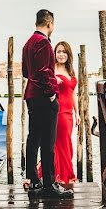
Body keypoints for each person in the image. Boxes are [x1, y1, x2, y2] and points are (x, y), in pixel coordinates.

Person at [22, 10, 73, 199]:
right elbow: (44, 72)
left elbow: (28, 72)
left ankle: (34, 180)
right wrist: (52, 94)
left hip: (31, 96)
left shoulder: (28, 43)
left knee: (33, 138)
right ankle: (50, 184)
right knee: (48, 142)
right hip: (44, 97)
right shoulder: (43, 42)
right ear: (49, 23)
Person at [38, 41, 78, 185]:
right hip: (57, 112)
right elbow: (44, 89)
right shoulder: (52, 70)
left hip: (69, 114)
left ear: (68, 55)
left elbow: (73, 94)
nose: (61, 54)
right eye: (59, 51)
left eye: (64, 52)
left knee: (66, 142)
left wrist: (77, 113)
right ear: (54, 54)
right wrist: (54, 82)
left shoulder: (71, 71)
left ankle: (60, 174)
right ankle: (58, 175)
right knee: (59, 144)